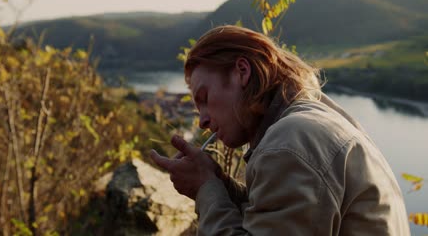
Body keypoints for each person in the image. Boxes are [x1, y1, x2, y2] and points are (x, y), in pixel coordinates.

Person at [150, 25, 410, 235]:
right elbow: (275, 217)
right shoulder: (312, 121)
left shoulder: (290, 142)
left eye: (205, 98)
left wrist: (205, 189)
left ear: (242, 71)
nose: (202, 121)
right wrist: (218, 184)